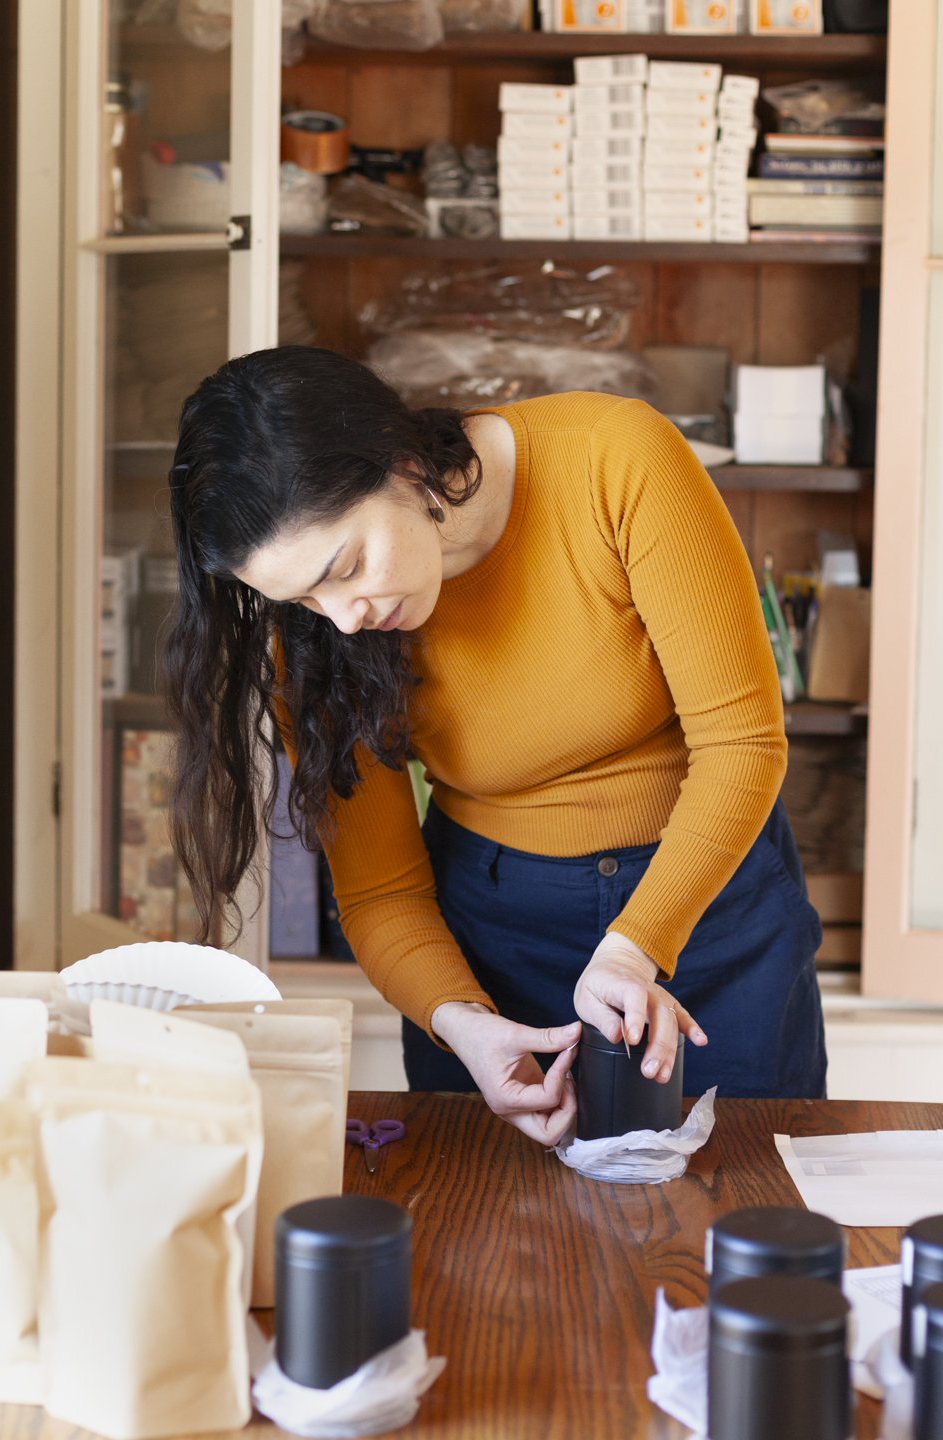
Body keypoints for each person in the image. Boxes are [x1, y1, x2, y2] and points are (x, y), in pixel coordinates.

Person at [163, 345, 827, 1146]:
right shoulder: (317, 638)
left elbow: (743, 742)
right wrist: (463, 1022)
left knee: (740, 1214)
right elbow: (379, 894)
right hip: (492, 942)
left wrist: (636, 947)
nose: (340, 616)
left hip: (708, 909)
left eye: (347, 565)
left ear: (400, 461)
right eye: (302, 596)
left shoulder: (614, 460)